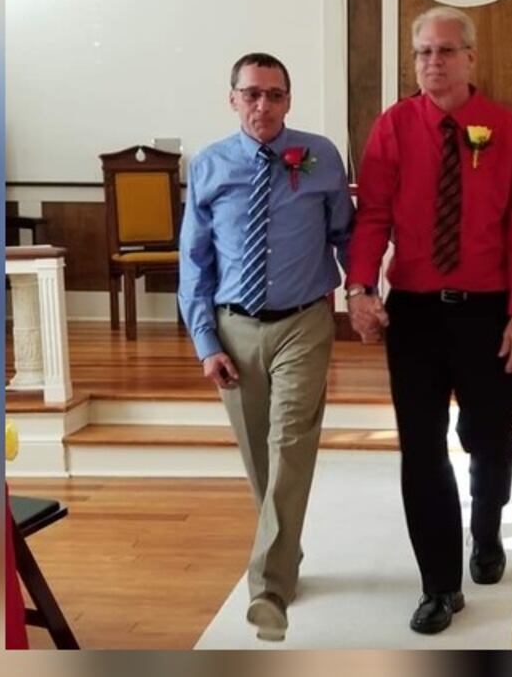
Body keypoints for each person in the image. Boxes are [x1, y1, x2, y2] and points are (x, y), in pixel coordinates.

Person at [345, 6, 512, 635]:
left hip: (489, 314)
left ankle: (486, 526)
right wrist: (358, 287)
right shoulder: (393, 128)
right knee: (422, 449)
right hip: (416, 316)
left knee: (487, 437)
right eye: (422, 53)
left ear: (470, 58)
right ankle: (439, 585)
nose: (432, 62)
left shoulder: (509, 131)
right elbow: (373, 214)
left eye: (444, 51)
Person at [177, 51, 353, 642]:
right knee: (259, 456)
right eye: (251, 93)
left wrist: (367, 289)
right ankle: (287, 554)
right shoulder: (209, 165)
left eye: (275, 94)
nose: (263, 105)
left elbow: (346, 235)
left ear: (289, 100)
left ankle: (268, 587)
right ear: (232, 99)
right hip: (233, 329)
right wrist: (206, 341)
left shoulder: (321, 155)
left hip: (304, 321)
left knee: (290, 443)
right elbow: (194, 261)